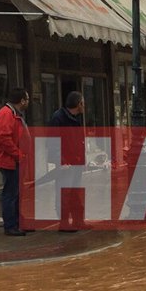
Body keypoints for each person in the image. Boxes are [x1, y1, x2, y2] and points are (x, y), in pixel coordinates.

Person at [0, 87, 31, 236]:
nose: (28, 102)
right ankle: (10, 225)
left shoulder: (15, 114)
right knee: (11, 193)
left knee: (17, 192)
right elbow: (3, 138)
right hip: (10, 161)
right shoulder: (6, 114)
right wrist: (18, 154)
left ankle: (18, 221)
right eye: (26, 99)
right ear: (21, 101)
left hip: (16, 160)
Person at [48, 91, 86, 231]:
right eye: (83, 103)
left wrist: (83, 160)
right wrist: (61, 161)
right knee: (64, 192)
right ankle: (64, 222)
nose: (84, 106)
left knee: (75, 192)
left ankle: (78, 220)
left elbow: (79, 141)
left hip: (76, 163)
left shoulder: (76, 119)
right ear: (78, 104)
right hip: (66, 164)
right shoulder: (59, 118)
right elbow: (53, 142)